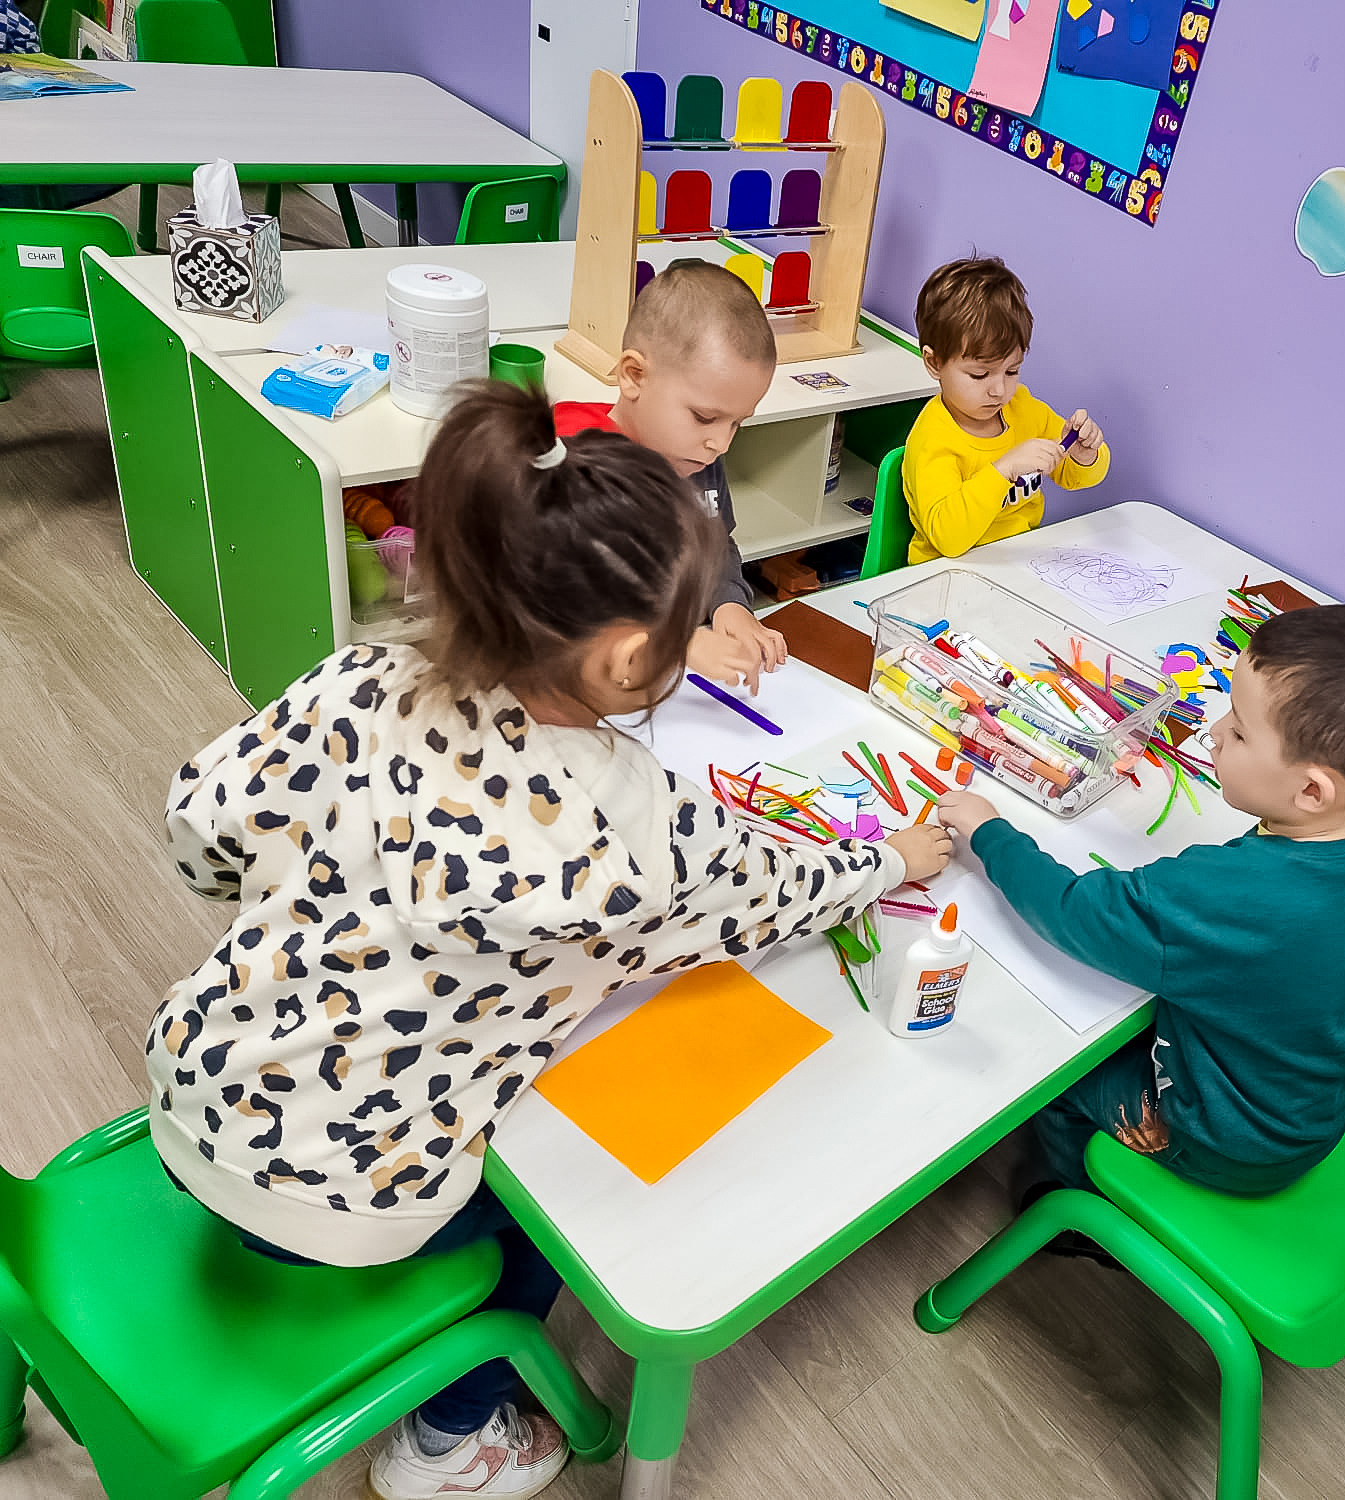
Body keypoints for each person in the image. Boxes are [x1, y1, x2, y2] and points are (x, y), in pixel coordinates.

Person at [148, 382, 953, 1500]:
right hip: (345, 1201)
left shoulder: (355, 678)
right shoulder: (622, 821)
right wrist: (889, 860)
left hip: (188, 1095)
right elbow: (762, 890)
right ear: (630, 663)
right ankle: (453, 1439)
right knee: (545, 1211)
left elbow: (198, 829)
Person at [935, 605, 1345, 1209]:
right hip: (1314, 1109)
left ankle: (1068, 1196)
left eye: (1239, 730)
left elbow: (1073, 913)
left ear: (1311, 790)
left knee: (1054, 1081)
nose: (1213, 729)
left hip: (1220, 1137)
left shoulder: (1222, 894)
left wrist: (990, 834)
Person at [552, 258, 788, 693]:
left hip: (666, 689)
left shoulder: (695, 454)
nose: (722, 443)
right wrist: (677, 644)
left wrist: (728, 604)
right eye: (705, 417)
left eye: (737, 423)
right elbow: (565, 607)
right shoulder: (576, 463)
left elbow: (714, 547)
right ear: (634, 376)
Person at [901, 256, 1108, 564]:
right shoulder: (934, 440)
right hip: (946, 575)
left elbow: (1076, 478)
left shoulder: (1022, 408)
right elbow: (948, 539)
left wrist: (1084, 453)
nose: (999, 390)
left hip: (1019, 567)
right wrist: (1003, 470)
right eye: (979, 375)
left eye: (1011, 371)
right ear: (934, 363)